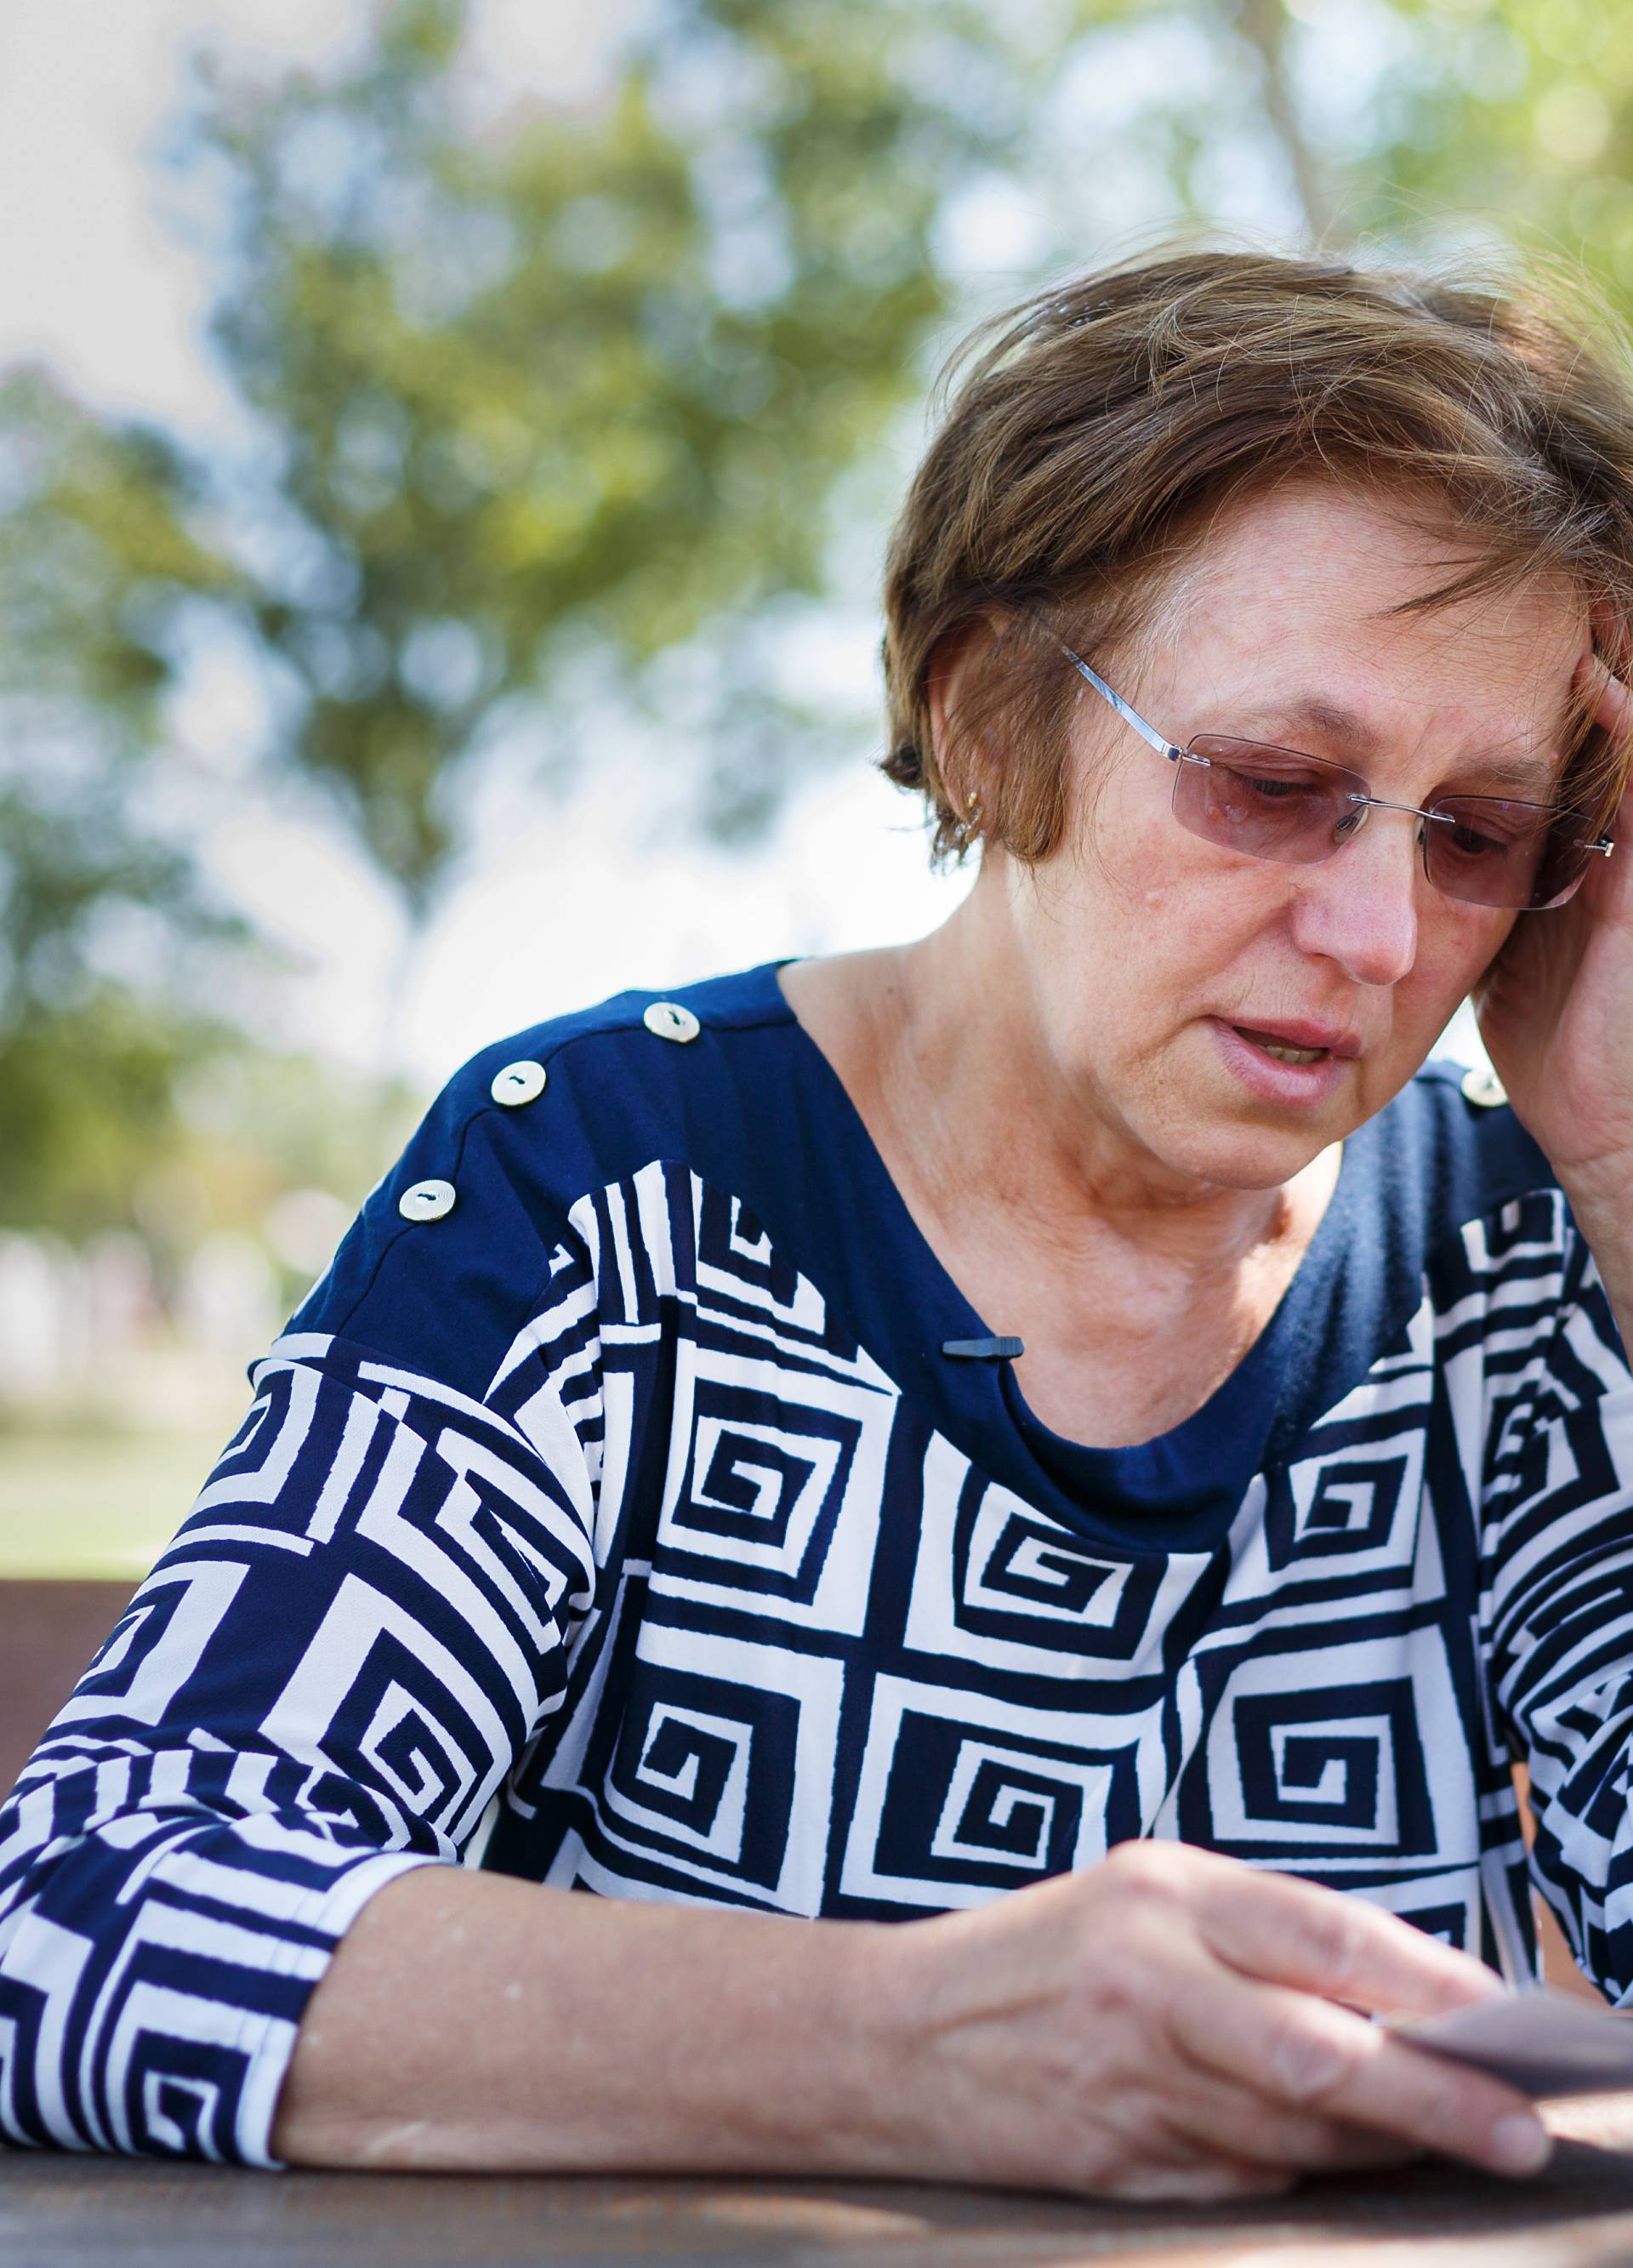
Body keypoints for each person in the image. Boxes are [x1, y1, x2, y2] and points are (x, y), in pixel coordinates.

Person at [4, 248, 1633, 2203]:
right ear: (990, 730)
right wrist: (910, 2047)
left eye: (1479, 835)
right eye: (1277, 785)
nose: (1383, 938)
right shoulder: (614, 1182)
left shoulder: (1527, 1252)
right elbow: (83, 1912)